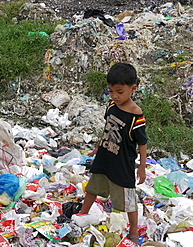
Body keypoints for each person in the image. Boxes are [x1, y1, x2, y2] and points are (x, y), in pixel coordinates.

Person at [78, 63, 147, 245]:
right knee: (92, 187)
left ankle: (133, 231)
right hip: (105, 156)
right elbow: (107, 128)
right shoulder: (111, 106)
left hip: (122, 164)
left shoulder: (136, 115)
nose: (115, 96)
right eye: (110, 91)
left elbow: (142, 142)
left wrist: (141, 167)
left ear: (133, 88)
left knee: (128, 199)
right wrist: (97, 147)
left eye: (119, 91)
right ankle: (83, 214)